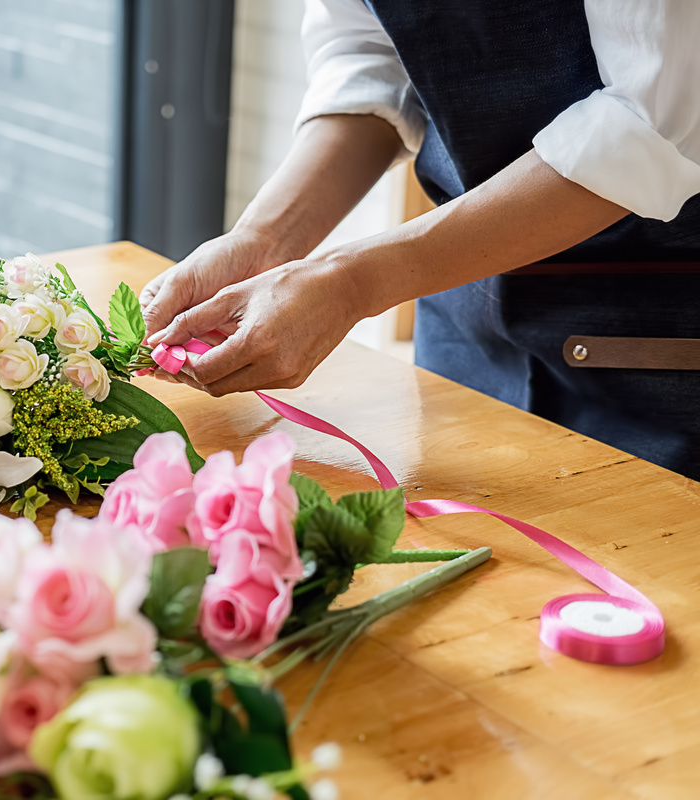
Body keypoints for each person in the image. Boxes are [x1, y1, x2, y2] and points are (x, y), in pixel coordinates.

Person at [141, 0, 700, 479]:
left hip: (655, 344)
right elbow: (370, 58)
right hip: (463, 328)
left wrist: (350, 282)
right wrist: (263, 240)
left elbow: (650, 122)